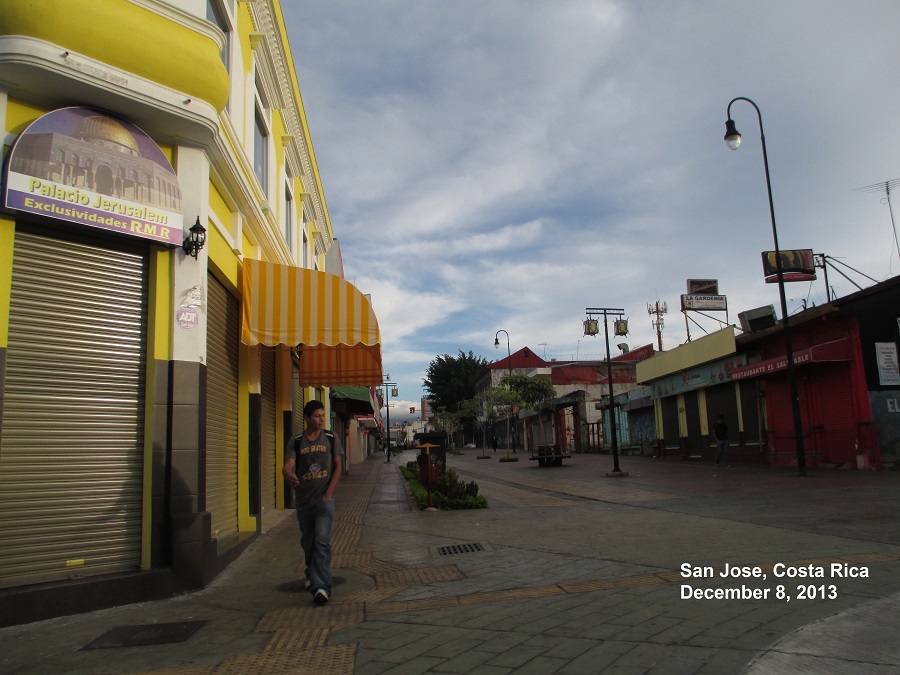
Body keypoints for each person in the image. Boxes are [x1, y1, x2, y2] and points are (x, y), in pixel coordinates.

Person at [283, 400, 343, 605]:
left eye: (323, 416)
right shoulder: (297, 441)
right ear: (307, 417)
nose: (321, 419)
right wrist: (289, 475)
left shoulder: (330, 438)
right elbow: (288, 465)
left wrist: (329, 493)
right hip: (304, 501)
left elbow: (337, 466)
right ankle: (311, 572)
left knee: (322, 541)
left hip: (324, 500)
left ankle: (321, 587)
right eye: (317, 416)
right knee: (308, 543)